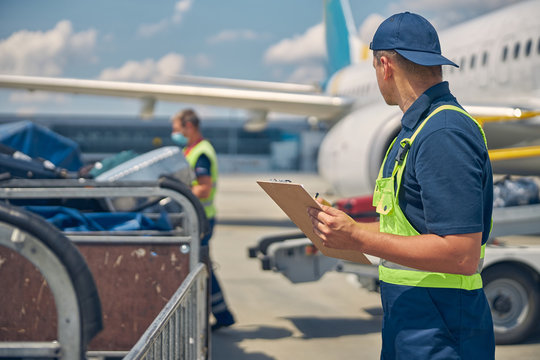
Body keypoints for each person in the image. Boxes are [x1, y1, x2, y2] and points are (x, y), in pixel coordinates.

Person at [308, 12, 495, 359]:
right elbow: (409, 228)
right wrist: (345, 228)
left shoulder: (443, 134)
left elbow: (461, 254)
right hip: (414, 323)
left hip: (442, 331)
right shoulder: (416, 131)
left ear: (384, 66)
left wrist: (358, 237)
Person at [171, 108, 235, 331]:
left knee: (201, 267)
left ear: (189, 126)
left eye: (176, 128)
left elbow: (204, 189)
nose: (174, 132)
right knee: (203, 266)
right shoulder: (191, 150)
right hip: (198, 217)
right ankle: (223, 314)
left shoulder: (202, 152)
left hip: (202, 219)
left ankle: (222, 314)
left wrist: (177, 192)